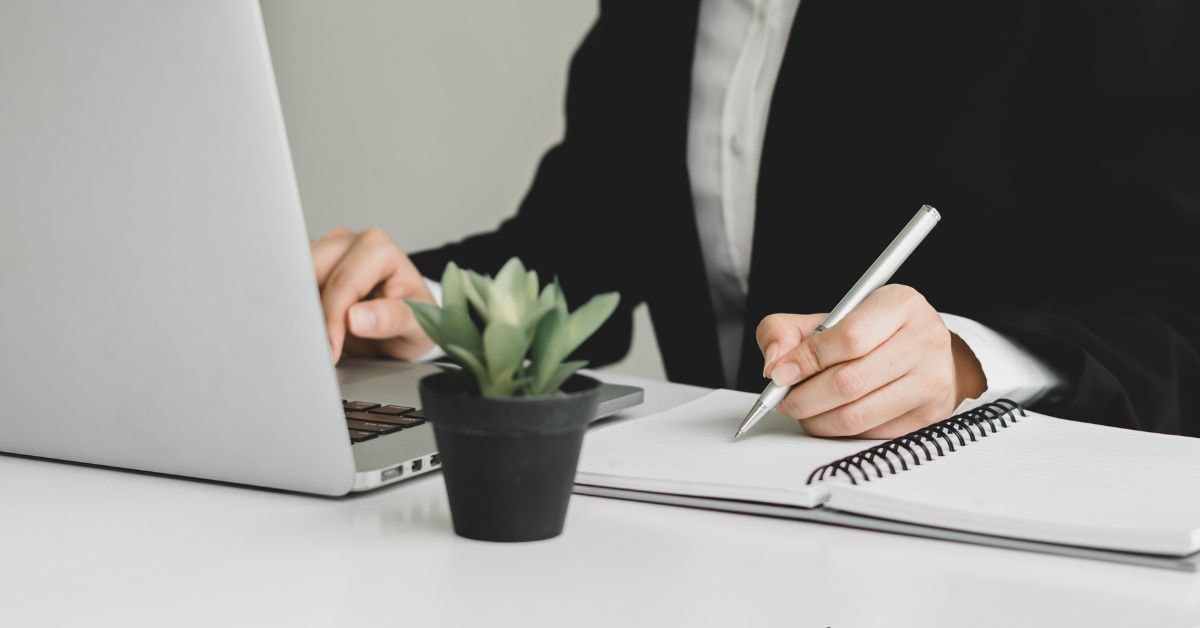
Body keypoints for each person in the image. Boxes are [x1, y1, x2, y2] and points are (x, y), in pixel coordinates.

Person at [311, 1, 1200, 438]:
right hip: (728, 528)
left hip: (1012, 538)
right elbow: (583, 241)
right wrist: (418, 302)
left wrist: (968, 360)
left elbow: (1175, 305)